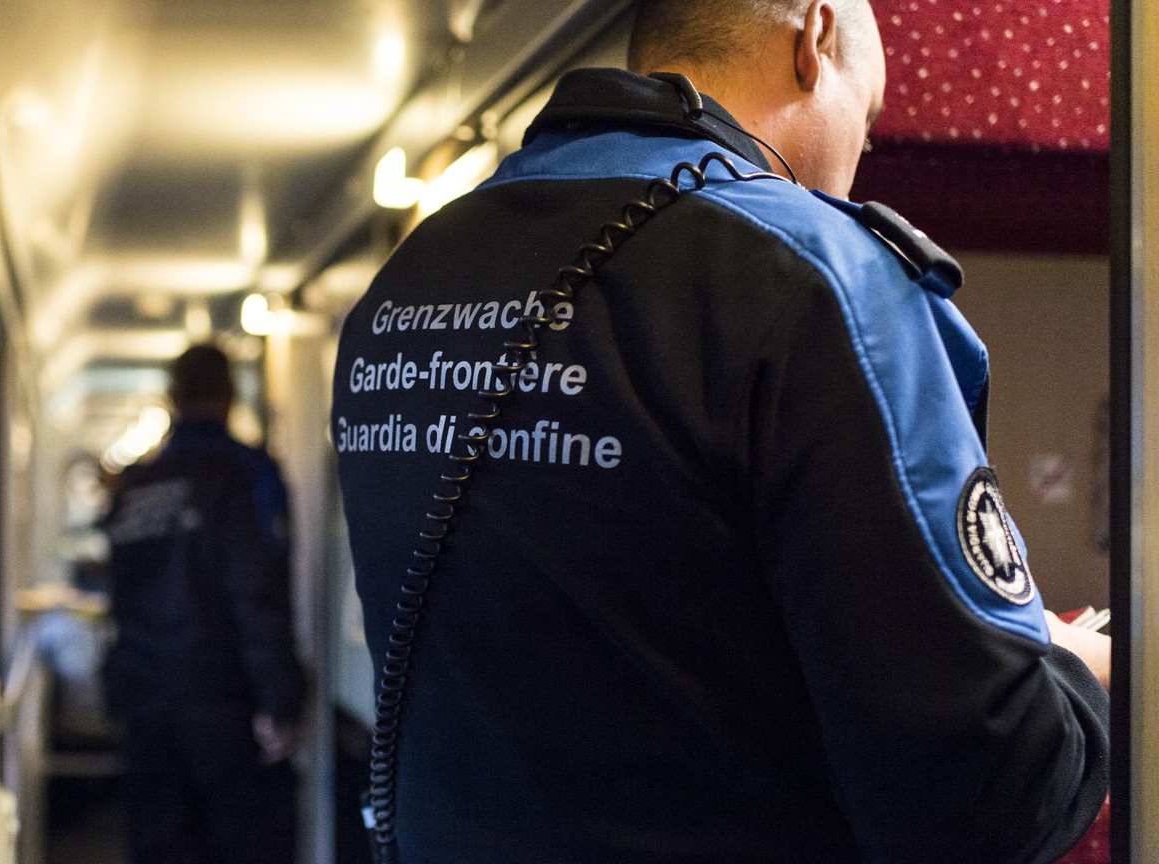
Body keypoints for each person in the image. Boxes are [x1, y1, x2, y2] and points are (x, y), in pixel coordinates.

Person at [330, 1, 1111, 862]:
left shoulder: (403, 286)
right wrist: (1082, 670)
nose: (864, 155)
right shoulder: (819, 279)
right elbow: (988, 795)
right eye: (871, 118)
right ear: (816, 39)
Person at [101, 344, 305, 864]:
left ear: (172, 397)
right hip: (221, 701)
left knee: (160, 844)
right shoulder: (245, 473)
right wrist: (280, 698)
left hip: (144, 695)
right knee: (242, 844)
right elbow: (257, 592)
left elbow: (120, 597)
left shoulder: (133, 487)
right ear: (231, 393)